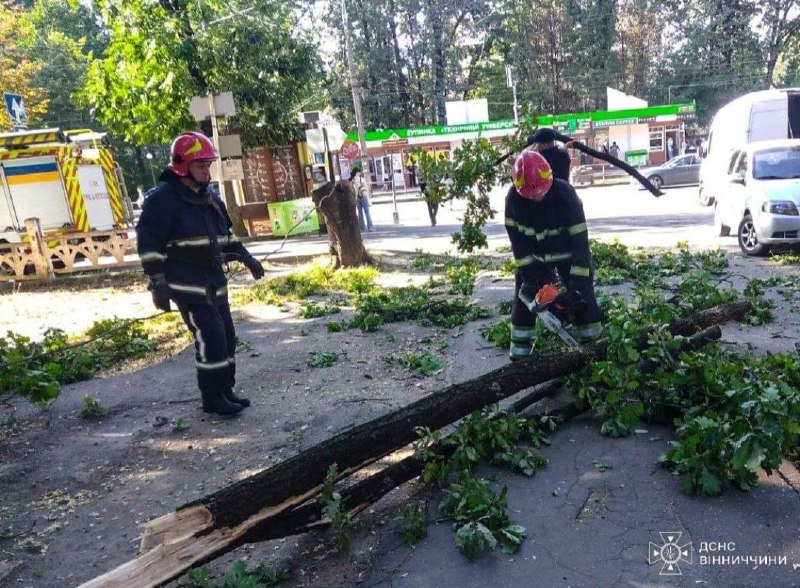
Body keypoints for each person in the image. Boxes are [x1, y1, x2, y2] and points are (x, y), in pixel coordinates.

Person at [136, 132, 265, 416]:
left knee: (228, 338)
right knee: (212, 338)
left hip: (215, 282)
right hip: (187, 284)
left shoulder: (210, 200)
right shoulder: (162, 201)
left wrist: (248, 259)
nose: (207, 171)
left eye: (208, 165)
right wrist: (157, 282)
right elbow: (148, 244)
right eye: (201, 166)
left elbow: (227, 237)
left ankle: (225, 389)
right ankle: (211, 398)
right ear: (182, 165)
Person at [504, 150, 602, 360]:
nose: (537, 198)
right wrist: (532, 281)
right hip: (535, 261)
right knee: (523, 302)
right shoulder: (513, 200)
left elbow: (581, 245)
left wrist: (575, 288)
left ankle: (594, 350)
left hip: (569, 257)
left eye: (540, 193)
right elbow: (519, 247)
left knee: (584, 302)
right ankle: (518, 357)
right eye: (531, 196)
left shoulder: (565, 195)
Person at [351, 164, 374, 232]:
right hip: (364, 196)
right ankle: (370, 227)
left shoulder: (353, 180)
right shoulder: (362, 179)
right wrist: (369, 195)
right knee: (367, 212)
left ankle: (362, 228)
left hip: (357, 197)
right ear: (358, 172)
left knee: (360, 213)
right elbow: (366, 188)